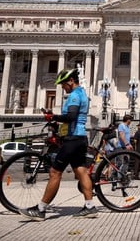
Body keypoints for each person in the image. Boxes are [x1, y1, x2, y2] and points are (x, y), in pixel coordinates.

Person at [19, 68, 97, 221]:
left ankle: (41, 209)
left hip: (72, 138)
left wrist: (53, 116)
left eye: (63, 84)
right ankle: (90, 207)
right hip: (80, 137)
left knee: (55, 172)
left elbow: (71, 116)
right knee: (82, 172)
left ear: (71, 81)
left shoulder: (74, 96)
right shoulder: (82, 93)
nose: (62, 87)